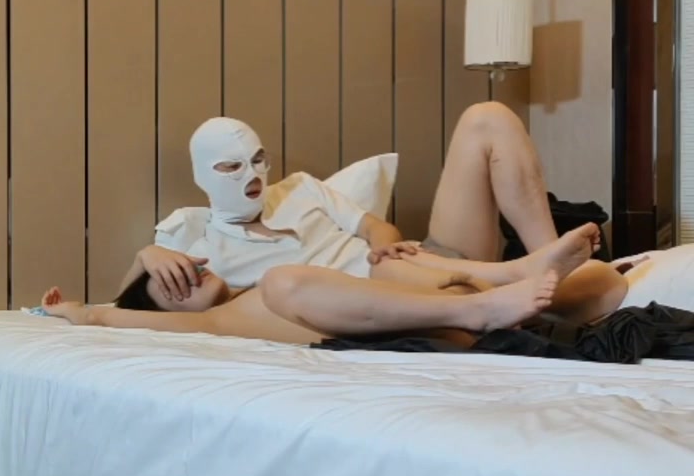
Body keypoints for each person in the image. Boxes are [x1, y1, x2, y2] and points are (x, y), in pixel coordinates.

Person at [126, 102, 625, 314]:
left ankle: (545, 259)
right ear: (203, 175)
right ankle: (534, 279)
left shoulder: (300, 188)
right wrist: (147, 253)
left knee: (487, 117)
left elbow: (376, 228)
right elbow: (127, 299)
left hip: (419, 260)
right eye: (231, 167)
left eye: (258, 160)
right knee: (604, 286)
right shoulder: (194, 236)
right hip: (382, 298)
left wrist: (385, 246)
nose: (251, 176)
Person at [43, 225, 603, 348]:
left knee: (382, 262)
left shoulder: (244, 293)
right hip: (443, 321)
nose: (189, 275)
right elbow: (110, 312)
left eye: (184, 266)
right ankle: (486, 304)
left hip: (433, 298)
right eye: (175, 287)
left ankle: (512, 275)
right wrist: (77, 310)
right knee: (283, 280)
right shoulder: (208, 324)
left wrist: (151, 252)